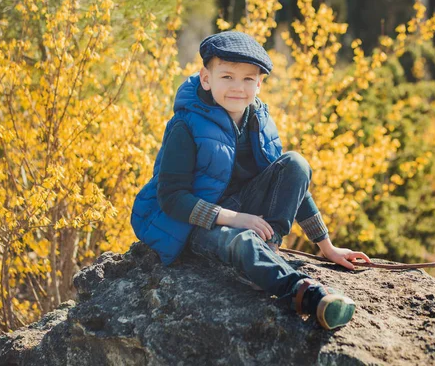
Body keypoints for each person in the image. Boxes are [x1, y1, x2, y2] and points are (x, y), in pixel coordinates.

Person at [131, 31, 371, 330]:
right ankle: (307, 295)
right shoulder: (186, 124)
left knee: (295, 163)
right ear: (206, 78)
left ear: (259, 83)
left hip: (239, 209)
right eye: (227, 77)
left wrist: (327, 247)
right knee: (241, 241)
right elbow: (172, 198)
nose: (237, 88)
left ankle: (267, 248)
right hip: (189, 223)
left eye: (247, 79)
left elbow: (291, 185)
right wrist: (236, 219)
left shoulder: (258, 118)